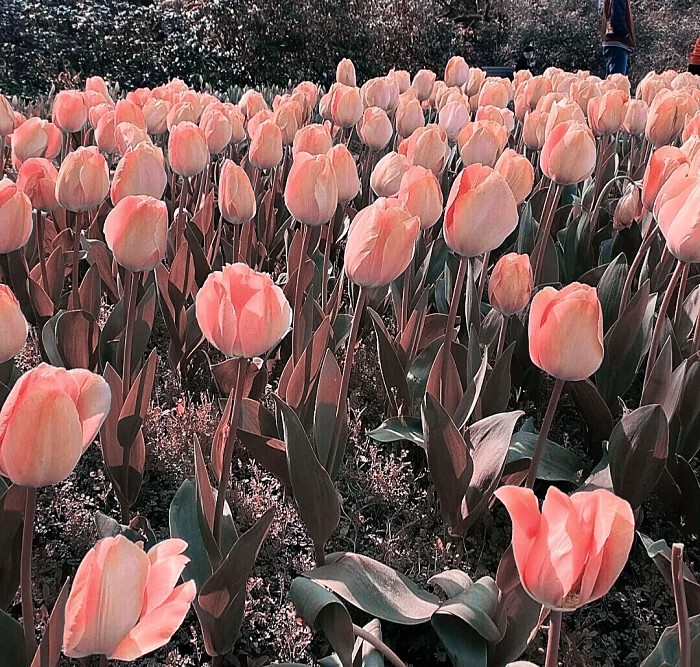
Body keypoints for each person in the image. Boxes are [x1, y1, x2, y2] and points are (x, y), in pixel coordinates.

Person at [600, 0, 636, 76]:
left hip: (614, 43)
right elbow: (616, 16)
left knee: (612, 81)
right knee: (617, 81)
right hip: (618, 44)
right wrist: (625, 33)